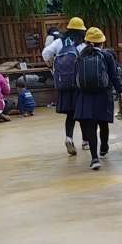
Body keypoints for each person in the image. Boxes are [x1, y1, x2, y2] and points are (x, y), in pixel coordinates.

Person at [74, 27, 122, 170]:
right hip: (103, 95)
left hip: (86, 96)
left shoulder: (80, 57)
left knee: (91, 127)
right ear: (102, 42)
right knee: (103, 123)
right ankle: (104, 146)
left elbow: (76, 80)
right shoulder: (107, 56)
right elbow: (114, 76)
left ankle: (94, 158)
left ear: (87, 42)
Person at [42, 16, 88, 155]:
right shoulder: (82, 45)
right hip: (78, 84)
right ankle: (85, 141)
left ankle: (69, 138)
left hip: (64, 84)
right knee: (82, 113)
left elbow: (45, 53)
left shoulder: (59, 41)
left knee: (70, 114)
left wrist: (51, 67)